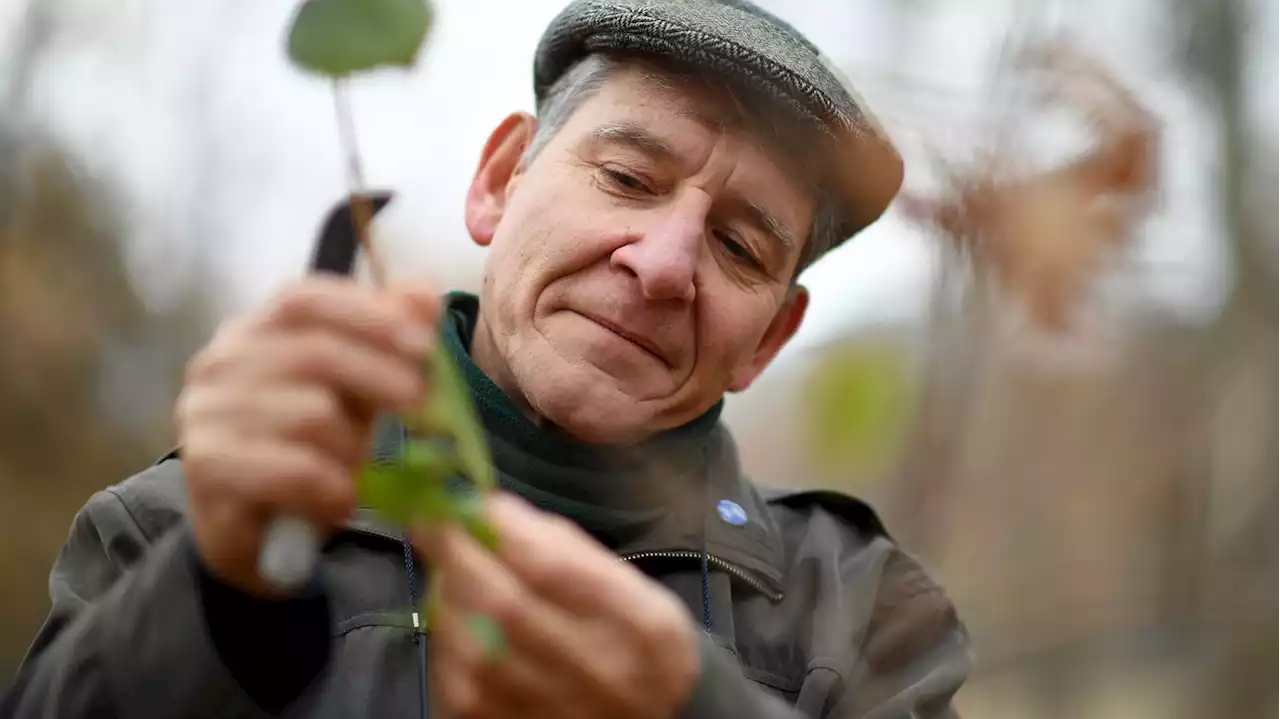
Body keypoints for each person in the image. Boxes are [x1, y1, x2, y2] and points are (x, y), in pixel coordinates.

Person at [2, 1, 972, 717]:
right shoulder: (191, 521)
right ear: (500, 181)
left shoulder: (861, 611)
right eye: (628, 177)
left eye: (738, 247)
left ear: (767, 336)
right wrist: (218, 601)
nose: (665, 263)